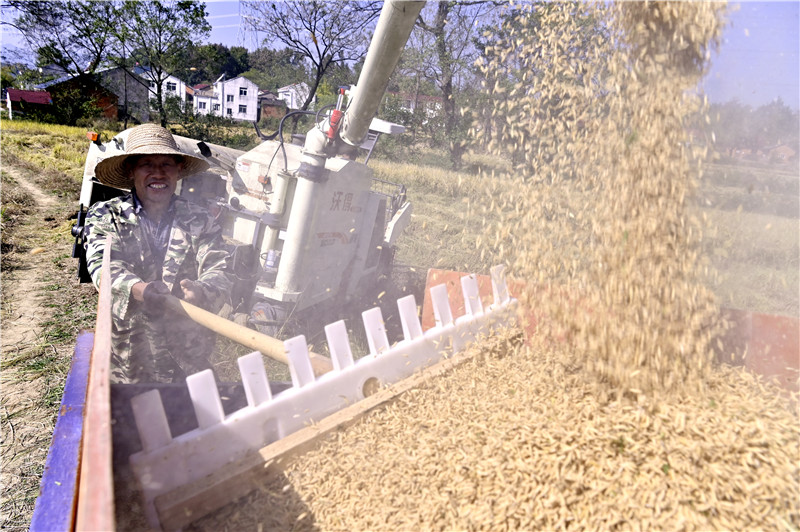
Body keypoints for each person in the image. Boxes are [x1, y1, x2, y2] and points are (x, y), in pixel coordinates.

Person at [83, 124, 234, 383]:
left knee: (194, 419)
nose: (158, 173)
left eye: (166, 164)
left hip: (188, 355)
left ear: (179, 170)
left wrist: (202, 289)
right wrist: (139, 289)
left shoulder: (200, 218)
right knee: (136, 418)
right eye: (146, 165)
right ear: (131, 171)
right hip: (129, 355)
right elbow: (103, 267)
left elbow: (220, 268)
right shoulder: (105, 215)